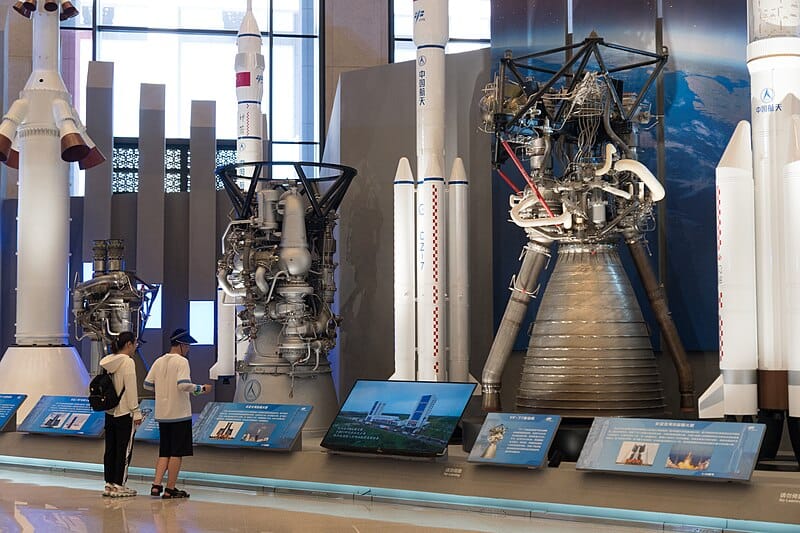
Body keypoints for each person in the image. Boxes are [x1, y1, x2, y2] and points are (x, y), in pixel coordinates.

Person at [144, 328, 211, 499]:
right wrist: (200, 389)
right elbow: (183, 385)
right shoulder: (181, 362)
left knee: (164, 451)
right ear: (180, 345)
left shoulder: (159, 361)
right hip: (179, 414)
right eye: (187, 345)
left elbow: (147, 384)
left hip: (162, 414)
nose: (188, 349)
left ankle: (156, 485)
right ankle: (170, 488)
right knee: (177, 452)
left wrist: (163, 390)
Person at [99, 331, 143, 497]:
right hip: (124, 412)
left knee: (110, 449)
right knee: (124, 450)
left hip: (110, 411)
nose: (136, 346)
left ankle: (109, 483)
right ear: (128, 344)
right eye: (135, 343)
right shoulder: (128, 362)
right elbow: (131, 388)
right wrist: (136, 411)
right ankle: (119, 484)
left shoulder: (107, 361)